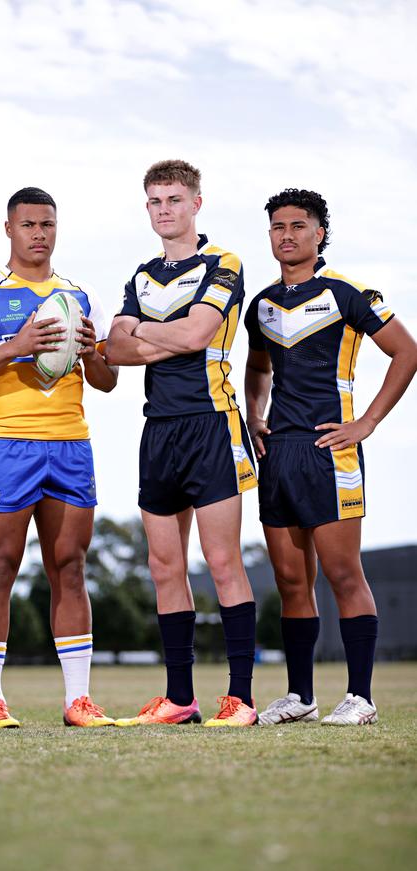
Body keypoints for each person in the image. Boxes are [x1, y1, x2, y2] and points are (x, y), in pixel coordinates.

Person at [0, 187, 118, 729]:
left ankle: (78, 701)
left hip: (70, 444)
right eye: (28, 225)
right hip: (6, 446)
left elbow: (107, 382)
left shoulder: (80, 295)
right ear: (9, 229)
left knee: (71, 567)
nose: (39, 234)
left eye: (47, 225)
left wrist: (92, 353)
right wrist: (15, 346)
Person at [244, 188, 417, 725]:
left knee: (343, 574)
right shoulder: (262, 304)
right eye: (278, 226)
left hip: (330, 452)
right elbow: (257, 368)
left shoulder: (349, 293)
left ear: (320, 234)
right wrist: (255, 416)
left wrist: (365, 423)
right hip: (279, 456)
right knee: (291, 583)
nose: (287, 235)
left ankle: (360, 697)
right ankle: (300, 696)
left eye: (298, 225)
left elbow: (407, 352)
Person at [105, 159, 258, 727]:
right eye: (154, 201)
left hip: (212, 425)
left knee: (222, 563)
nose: (164, 210)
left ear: (197, 203)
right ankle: (180, 699)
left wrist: (142, 330)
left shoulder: (225, 262)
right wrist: (152, 336)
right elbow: (113, 352)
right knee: (164, 566)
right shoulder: (140, 277)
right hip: (159, 430)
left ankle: (240, 699)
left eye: (174, 199)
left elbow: (198, 334)